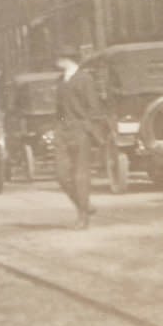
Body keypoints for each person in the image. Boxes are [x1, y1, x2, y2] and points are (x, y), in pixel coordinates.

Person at [54, 45, 107, 230]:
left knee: (80, 176)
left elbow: (94, 108)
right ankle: (84, 205)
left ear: (68, 59)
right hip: (63, 132)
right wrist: (59, 126)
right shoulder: (61, 80)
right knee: (61, 175)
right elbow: (59, 110)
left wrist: (87, 128)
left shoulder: (85, 79)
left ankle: (83, 217)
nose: (56, 61)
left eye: (59, 57)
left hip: (80, 132)